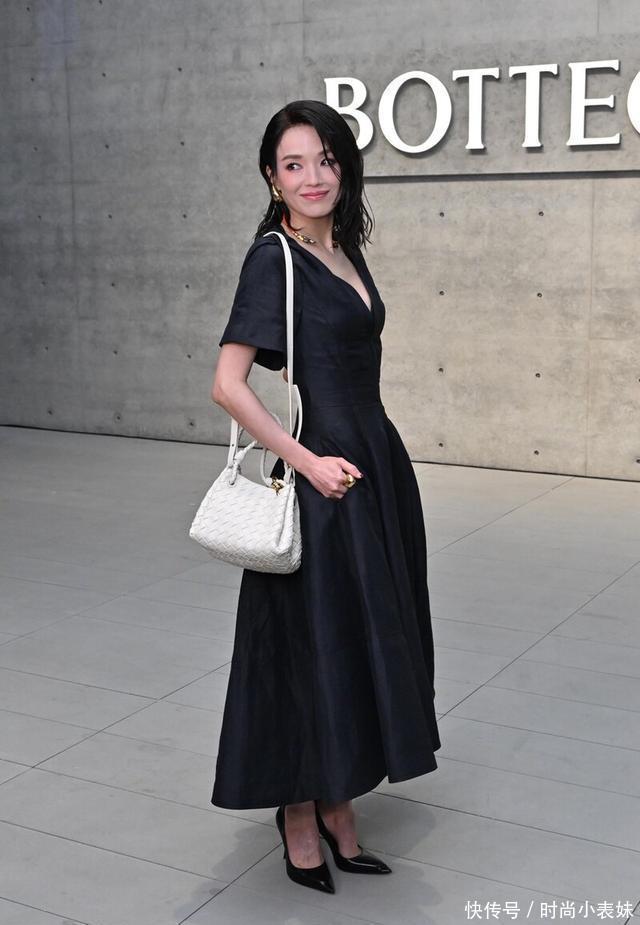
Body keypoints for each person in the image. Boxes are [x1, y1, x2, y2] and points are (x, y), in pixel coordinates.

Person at [210, 99, 441, 895]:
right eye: (294, 163)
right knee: (313, 646)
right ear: (272, 177)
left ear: (346, 166)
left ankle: (340, 799)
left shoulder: (343, 246)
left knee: (357, 636)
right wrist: (307, 461)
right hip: (323, 475)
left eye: (327, 159)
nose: (314, 176)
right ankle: (300, 811)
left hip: (375, 465)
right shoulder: (272, 258)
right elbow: (228, 384)